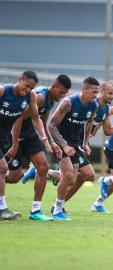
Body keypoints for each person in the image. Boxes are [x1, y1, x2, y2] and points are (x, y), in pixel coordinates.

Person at [6, 74, 71, 221]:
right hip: (15, 134)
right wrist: (15, 143)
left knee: (43, 167)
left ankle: (35, 211)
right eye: (61, 93)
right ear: (53, 87)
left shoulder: (51, 101)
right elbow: (19, 118)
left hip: (30, 135)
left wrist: (50, 142)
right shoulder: (41, 97)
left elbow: (43, 120)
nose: (62, 97)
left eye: (65, 94)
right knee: (13, 177)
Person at [0, 70, 51, 220]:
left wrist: (44, 138)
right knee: (2, 167)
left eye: (31, 88)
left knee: (8, 173)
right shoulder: (3, 91)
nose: (28, 90)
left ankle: (34, 211)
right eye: (26, 86)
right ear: (20, 79)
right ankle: (2, 209)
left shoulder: (31, 96)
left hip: (5, 137)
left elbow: (36, 118)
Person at [48, 77, 100, 221]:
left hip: (76, 145)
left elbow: (89, 123)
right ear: (84, 90)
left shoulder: (94, 105)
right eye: (93, 91)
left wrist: (85, 143)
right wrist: (63, 145)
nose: (96, 95)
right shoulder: (68, 103)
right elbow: (51, 125)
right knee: (69, 177)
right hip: (61, 142)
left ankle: (50, 174)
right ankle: (57, 210)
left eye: (97, 92)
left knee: (88, 175)